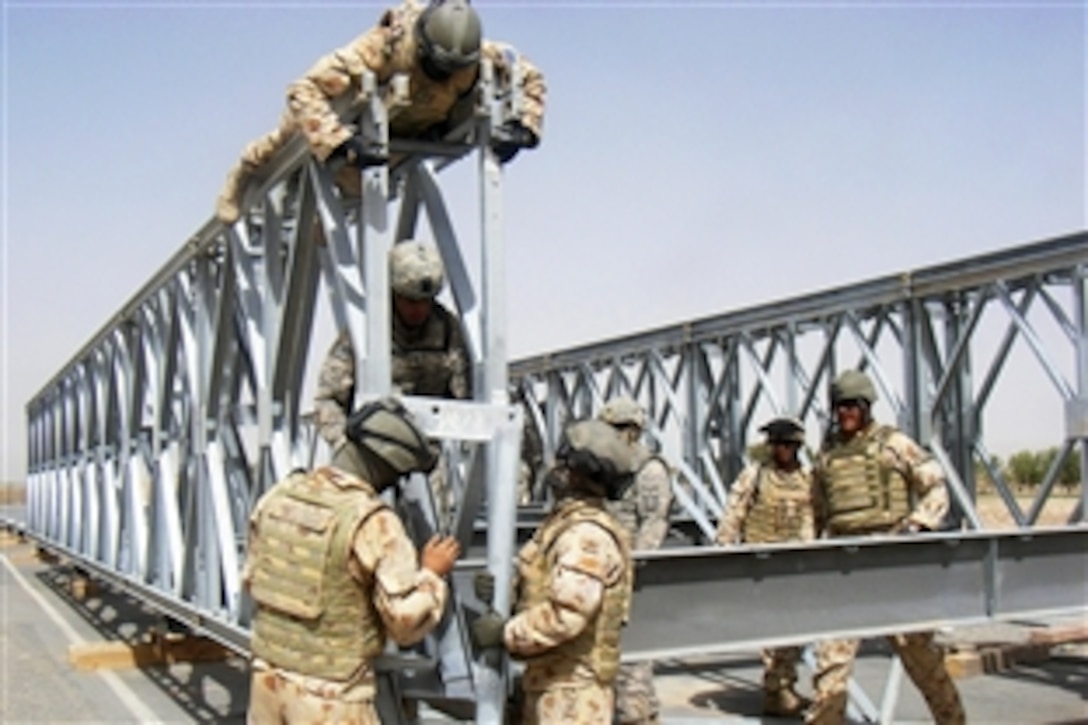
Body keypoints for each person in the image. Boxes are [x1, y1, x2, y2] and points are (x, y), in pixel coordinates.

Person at [216, 0, 547, 224]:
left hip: (408, 127)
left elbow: (529, 75)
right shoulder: (384, 46)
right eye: (435, 66)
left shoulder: (477, 54)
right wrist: (336, 140)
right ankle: (243, 174)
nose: (443, 74)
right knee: (288, 140)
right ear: (422, 46)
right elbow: (302, 90)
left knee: (364, 192)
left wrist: (526, 126)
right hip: (345, 115)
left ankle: (319, 223)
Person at [243, 396, 462, 723]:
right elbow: (403, 624)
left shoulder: (279, 495)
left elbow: (251, 580)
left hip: (267, 683)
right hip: (331, 697)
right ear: (390, 468)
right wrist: (431, 574)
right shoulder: (373, 521)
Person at [806, 370, 966, 725]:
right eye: (839, 406)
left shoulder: (894, 444)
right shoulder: (827, 455)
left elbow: (936, 486)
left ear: (865, 406)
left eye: (851, 405)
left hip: (891, 564)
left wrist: (917, 524)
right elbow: (816, 509)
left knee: (923, 662)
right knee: (830, 669)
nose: (844, 413)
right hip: (845, 565)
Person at [471, 419, 636, 725]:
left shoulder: (586, 535)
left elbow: (567, 615)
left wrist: (506, 633)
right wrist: (504, 592)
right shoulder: (563, 525)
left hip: (573, 697)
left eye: (564, 463)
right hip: (553, 686)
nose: (555, 471)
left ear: (579, 472)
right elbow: (540, 585)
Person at [313, 239, 471, 522]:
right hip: (369, 458)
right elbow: (328, 398)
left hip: (424, 460)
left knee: (433, 533)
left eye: (425, 302)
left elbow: (466, 400)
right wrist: (342, 446)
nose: (418, 311)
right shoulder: (366, 333)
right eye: (409, 301)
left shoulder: (447, 331)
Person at [715, 415, 816, 718]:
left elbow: (817, 516)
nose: (779, 450)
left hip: (795, 566)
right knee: (772, 632)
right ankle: (777, 690)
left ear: (796, 446)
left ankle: (781, 687)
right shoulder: (755, 475)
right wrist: (724, 547)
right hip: (762, 565)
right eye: (775, 444)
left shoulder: (808, 480)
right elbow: (735, 510)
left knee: (794, 631)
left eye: (786, 444)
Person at [597, 396, 673, 724]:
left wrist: (634, 565)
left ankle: (637, 713)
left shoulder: (648, 470)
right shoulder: (605, 469)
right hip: (603, 572)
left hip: (631, 574)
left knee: (633, 661)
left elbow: (655, 522)